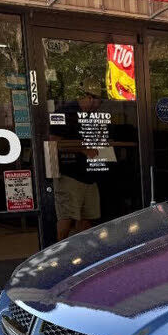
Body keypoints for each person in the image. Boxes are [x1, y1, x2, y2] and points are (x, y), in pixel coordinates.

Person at [52, 79, 105, 240]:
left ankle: (83, 251)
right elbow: (53, 143)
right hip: (70, 176)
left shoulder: (90, 116)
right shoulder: (65, 113)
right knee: (67, 218)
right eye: (99, 102)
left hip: (89, 175)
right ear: (90, 98)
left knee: (87, 218)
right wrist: (83, 149)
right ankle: (60, 251)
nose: (99, 106)